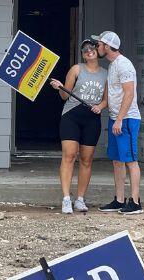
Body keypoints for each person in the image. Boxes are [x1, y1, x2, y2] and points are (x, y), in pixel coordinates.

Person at [49, 38, 107, 214]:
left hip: (92, 118)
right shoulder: (76, 69)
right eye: (84, 50)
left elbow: (106, 99)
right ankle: (66, 199)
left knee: (86, 160)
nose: (88, 51)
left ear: (97, 51)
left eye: (91, 48)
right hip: (71, 116)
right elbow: (64, 96)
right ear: (82, 54)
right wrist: (59, 87)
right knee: (69, 155)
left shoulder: (106, 73)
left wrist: (101, 107)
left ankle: (80, 199)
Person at [93, 30, 143, 215]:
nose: (97, 47)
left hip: (127, 119)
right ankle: (119, 200)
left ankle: (135, 202)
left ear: (107, 46)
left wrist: (120, 119)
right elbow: (112, 94)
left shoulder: (124, 65)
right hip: (116, 118)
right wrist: (102, 107)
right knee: (117, 160)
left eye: (99, 44)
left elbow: (129, 93)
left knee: (130, 160)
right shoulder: (113, 65)